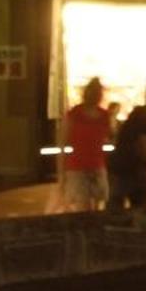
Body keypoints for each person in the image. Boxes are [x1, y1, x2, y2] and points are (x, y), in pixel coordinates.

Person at [107, 82, 146, 212]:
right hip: (122, 166)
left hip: (139, 167)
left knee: (141, 202)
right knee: (117, 205)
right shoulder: (140, 115)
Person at [54, 78, 113, 212]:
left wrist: (61, 175)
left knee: (93, 208)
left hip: (92, 165)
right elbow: (62, 144)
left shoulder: (102, 116)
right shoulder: (76, 115)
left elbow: (62, 144)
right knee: (85, 208)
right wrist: (61, 175)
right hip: (81, 167)